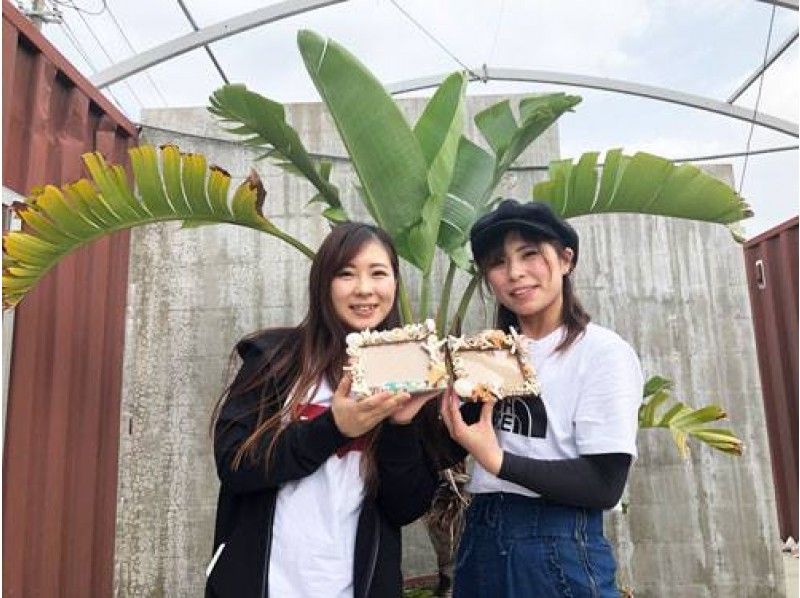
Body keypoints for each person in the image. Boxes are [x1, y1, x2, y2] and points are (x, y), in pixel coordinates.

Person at [206, 222, 439, 598]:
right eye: (346, 274)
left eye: (378, 273)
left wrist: (400, 425)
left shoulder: (411, 374)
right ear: (323, 284)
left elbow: (404, 507)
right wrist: (334, 428)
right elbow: (235, 463)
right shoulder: (276, 359)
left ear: (394, 283)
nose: (364, 288)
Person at [440, 199, 643, 597]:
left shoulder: (601, 352)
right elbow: (455, 444)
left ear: (566, 259)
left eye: (529, 254)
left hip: (558, 543)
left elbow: (605, 484)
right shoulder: (484, 356)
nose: (515, 273)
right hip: (480, 536)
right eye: (498, 263)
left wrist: (496, 460)